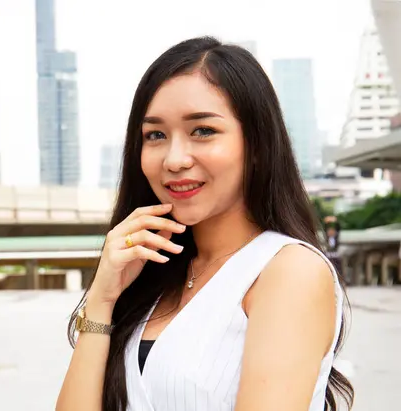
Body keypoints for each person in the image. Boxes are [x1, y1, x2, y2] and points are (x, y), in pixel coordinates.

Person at [56, 37, 354, 411]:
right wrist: (102, 299)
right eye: (156, 135)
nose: (175, 159)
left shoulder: (288, 271)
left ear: (258, 146)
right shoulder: (154, 275)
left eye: (202, 131)